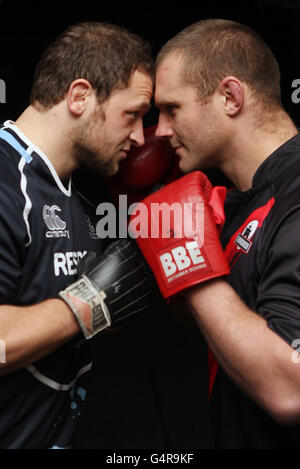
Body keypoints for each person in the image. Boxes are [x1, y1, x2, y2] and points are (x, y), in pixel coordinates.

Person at [0, 21, 154, 448]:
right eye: (133, 114)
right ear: (80, 96)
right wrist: (90, 303)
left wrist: (132, 284)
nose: (141, 137)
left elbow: (69, 317)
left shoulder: (78, 202)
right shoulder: (5, 184)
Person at [150, 19, 300, 448]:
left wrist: (189, 257)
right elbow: (227, 324)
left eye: (172, 109)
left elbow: (290, 388)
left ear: (230, 97)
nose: (159, 130)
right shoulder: (244, 198)